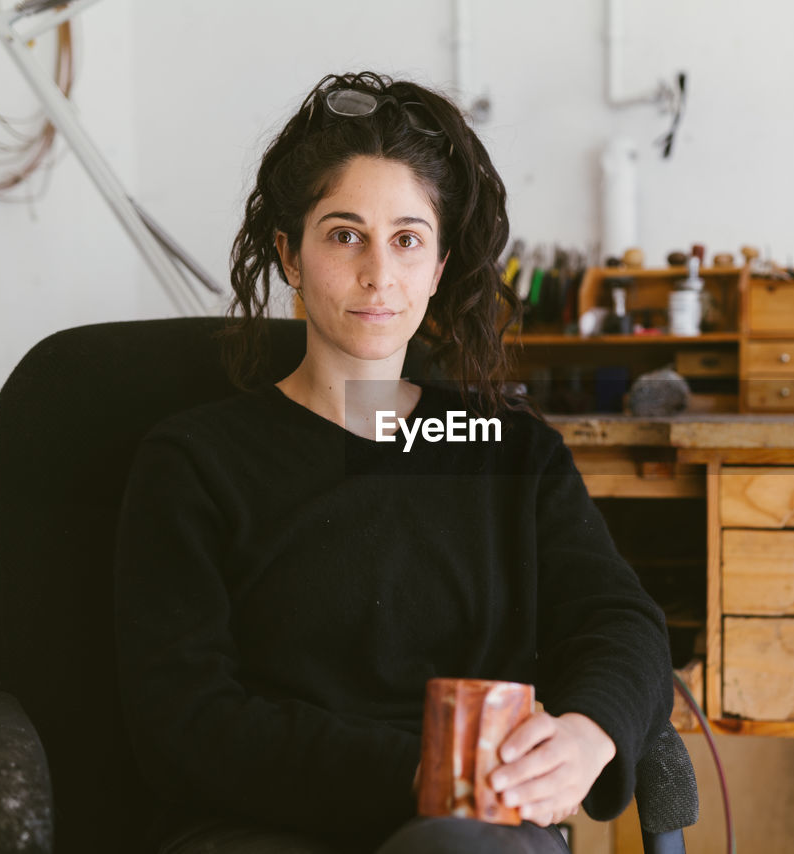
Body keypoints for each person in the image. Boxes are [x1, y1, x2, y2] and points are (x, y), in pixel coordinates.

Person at [113, 72, 673, 854]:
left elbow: (620, 621)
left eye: (407, 239)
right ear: (290, 255)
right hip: (259, 826)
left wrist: (589, 731)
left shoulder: (507, 454)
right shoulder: (199, 464)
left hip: (473, 825)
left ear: (438, 268)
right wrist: (423, 768)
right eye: (345, 235)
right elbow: (185, 719)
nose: (379, 272)